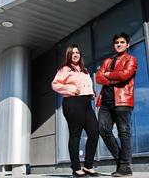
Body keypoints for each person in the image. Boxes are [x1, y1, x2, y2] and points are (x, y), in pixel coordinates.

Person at [52, 44, 99, 177]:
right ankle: (76, 168)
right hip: (72, 103)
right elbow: (55, 84)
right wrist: (70, 89)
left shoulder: (85, 71)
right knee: (75, 135)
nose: (75, 54)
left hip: (86, 103)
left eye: (77, 52)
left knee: (94, 131)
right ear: (69, 55)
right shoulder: (64, 69)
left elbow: (85, 85)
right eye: (72, 53)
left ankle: (88, 166)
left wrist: (91, 92)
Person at [96, 33, 137, 177]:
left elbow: (125, 75)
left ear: (127, 45)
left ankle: (125, 167)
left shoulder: (131, 59)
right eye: (116, 42)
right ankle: (121, 161)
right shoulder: (107, 61)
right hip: (106, 102)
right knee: (103, 129)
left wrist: (108, 75)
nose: (119, 44)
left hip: (123, 100)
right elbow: (98, 77)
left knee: (123, 132)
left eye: (122, 42)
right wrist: (110, 77)